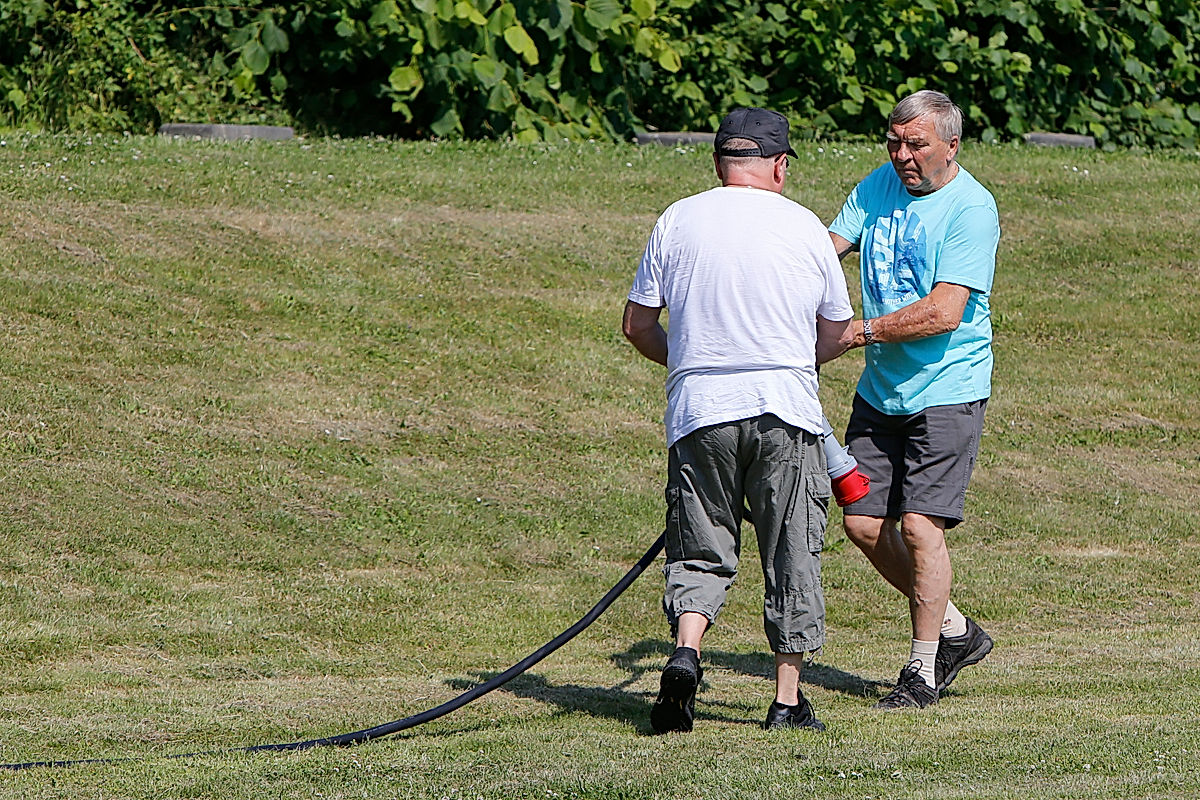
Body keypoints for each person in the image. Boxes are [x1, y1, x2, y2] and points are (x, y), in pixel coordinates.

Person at [623, 107, 854, 733]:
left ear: (719, 163)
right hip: (785, 410)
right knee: (790, 549)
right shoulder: (805, 227)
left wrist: (691, 360)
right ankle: (785, 700)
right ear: (779, 166)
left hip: (700, 412)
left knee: (700, 545)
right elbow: (833, 334)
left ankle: (685, 653)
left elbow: (637, 325)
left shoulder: (679, 218)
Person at [827, 89, 1000, 709]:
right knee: (863, 521)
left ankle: (922, 671)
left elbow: (945, 311)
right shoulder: (877, 185)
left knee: (921, 525)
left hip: (947, 389)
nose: (901, 155)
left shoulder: (971, 210)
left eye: (916, 145)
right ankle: (955, 630)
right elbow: (824, 252)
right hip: (881, 391)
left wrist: (858, 334)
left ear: (951, 146)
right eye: (894, 142)